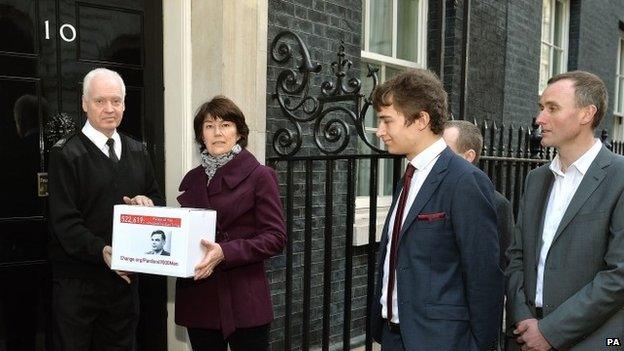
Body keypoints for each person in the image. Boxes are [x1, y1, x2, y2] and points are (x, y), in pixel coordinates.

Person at [369, 69, 503, 351]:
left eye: (386, 120)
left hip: (442, 342)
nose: (380, 131)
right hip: (393, 337)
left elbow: (484, 277)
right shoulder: (408, 177)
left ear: (421, 120)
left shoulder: (465, 181)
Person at [506, 71, 624, 351]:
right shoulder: (536, 179)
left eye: (552, 108)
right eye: (540, 107)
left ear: (586, 114)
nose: (539, 119)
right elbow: (516, 256)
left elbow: (618, 274)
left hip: (594, 340)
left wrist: (549, 332)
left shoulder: (619, 176)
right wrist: (524, 318)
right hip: (526, 335)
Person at [48, 67, 164, 351]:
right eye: (100, 101)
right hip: (78, 286)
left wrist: (147, 205)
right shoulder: (65, 154)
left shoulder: (138, 150)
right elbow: (65, 223)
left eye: (116, 100)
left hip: (124, 286)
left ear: (125, 104)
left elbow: (156, 202)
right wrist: (102, 252)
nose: (109, 108)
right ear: (85, 104)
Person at [175, 95, 286, 351]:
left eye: (225, 125)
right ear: (201, 135)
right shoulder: (192, 179)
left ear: (238, 133)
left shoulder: (260, 176)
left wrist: (226, 251)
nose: (217, 132)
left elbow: (275, 237)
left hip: (244, 298)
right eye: (209, 126)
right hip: (200, 298)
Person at [443, 120, 514, 269]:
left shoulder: (497, 204)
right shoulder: (428, 195)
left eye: (445, 151)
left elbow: (500, 263)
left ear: (469, 156)